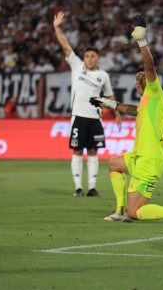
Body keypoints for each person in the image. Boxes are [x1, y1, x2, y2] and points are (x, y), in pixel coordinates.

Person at [90, 14, 163, 224]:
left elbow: (149, 67)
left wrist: (141, 41)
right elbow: (132, 110)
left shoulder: (155, 91)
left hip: (150, 160)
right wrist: (107, 103)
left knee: (136, 212)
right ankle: (119, 210)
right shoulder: (146, 103)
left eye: (141, 77)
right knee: (114, 164)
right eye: (136, 78)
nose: (139, 80)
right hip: (141, 155)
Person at [53, 11, 122, 197]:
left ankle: (91, 187)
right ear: (83, 58)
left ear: (98, 58)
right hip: (78, 117)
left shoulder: (103, 75)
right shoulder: (76, 66)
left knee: (93, 151)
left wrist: (117, 113)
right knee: (77, 151)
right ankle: (78, 188)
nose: (89, 59)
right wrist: (56, 27)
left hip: (94, 118)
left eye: (93, 56)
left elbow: (109, 96)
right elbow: (66, 46)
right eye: (87, 56)